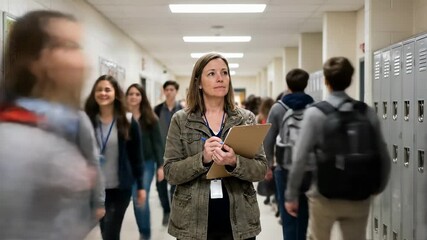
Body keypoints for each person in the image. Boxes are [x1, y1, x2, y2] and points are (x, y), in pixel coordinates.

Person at [0, 10, 100, 239]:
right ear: (35, 60)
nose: (82, 62)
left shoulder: (63, 125)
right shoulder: (14, 141)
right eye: (69, 47)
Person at [163, 52, 268, 240]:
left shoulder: (246, 119)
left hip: (239, 222)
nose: (220, 78)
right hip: (192, 223)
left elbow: (260, 170)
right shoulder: (181, 120)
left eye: (224, 73)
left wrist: (235, 162)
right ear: (199, 83)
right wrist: (202, 159)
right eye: (211, 73)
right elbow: (170, 172)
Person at [285, 57, 391, 240]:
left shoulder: (315, 113)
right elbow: (383, 154)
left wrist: (291, 194)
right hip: (358, 195)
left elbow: (300, 157)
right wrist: (376, 187)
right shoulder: (366, 112)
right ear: (350, 80)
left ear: (326, 81)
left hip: (323, 196)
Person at [85, 75, 146, 240]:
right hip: (95, 190)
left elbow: (136, 157)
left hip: (120, 189)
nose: (103, 93)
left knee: (111, 231)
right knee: (105, 231)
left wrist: (140, 186)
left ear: (115, 94)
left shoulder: (127, 121)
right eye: (99, 90)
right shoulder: (87, 121)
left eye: (107, 89)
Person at [264, 69, 314, 239]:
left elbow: (268, 139)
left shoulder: (278, 108)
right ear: (306, 84)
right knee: (304, 212)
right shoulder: (313, 107)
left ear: (287, 85)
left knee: (287, 214)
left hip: (284, 168)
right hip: (308, 169)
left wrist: (268, 165)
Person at [126, 83, 164, 240]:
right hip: (127, 164)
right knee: (136, 200)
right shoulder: (122, 117)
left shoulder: (150, 118)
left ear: (142, 97)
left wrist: (160, 166)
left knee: (140, 196)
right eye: (131, 94)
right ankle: (143, 229)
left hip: (146, 163)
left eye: (137, 94)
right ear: (126, 97)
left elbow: (157, 143)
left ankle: (145, 234)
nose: (134, 97)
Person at [153, 80, 182, 225]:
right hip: (160, 154)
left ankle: (175, 213)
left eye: (172, 89)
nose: (169, 92)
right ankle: (166, 211)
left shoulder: (183, 110)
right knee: (160, 185)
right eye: (167, 89)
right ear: (164, 92)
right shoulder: (157, 110)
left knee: (175, 186)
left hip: (178, 155)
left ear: (176, 91)